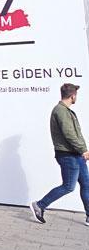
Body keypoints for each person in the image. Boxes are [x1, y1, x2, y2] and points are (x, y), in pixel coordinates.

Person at [31, 83, 89, 224]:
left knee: (86, 184)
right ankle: (40, 205)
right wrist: (83, 149)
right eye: (76, 95)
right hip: (68, 155)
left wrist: (82, 151)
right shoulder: (61, 111)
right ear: (72, 95)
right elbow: (69, 134)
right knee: (68, 186)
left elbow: (75, 134)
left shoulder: (65, 110)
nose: (76, 97)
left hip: (76, 154)